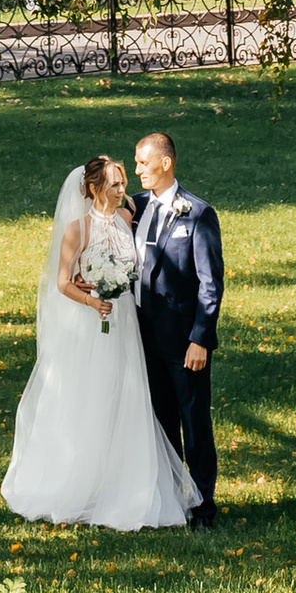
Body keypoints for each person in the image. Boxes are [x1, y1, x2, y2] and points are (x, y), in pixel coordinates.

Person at [0, 153, 190, 530]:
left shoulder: (126, 215)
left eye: (122, 182)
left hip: (126, 324)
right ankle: (80, 483)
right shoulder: (78, 229)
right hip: (92, 324)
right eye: (115, 184)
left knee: (127, 395)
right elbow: (62, 282)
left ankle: (127, 484)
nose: (123, 190)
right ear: (92, 188)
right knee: (92, 396)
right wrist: (92, 299)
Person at [129, 129, 222, 526]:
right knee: (161, 422)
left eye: (143, 164)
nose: (138, 172)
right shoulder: (133, 207)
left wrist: (200, 338)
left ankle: (202, 505)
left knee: (193, 421)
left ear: (165, 163)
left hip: (184, 342)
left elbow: (211, 283)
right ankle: (169, 501)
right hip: (142, 336)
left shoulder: (198, 214)